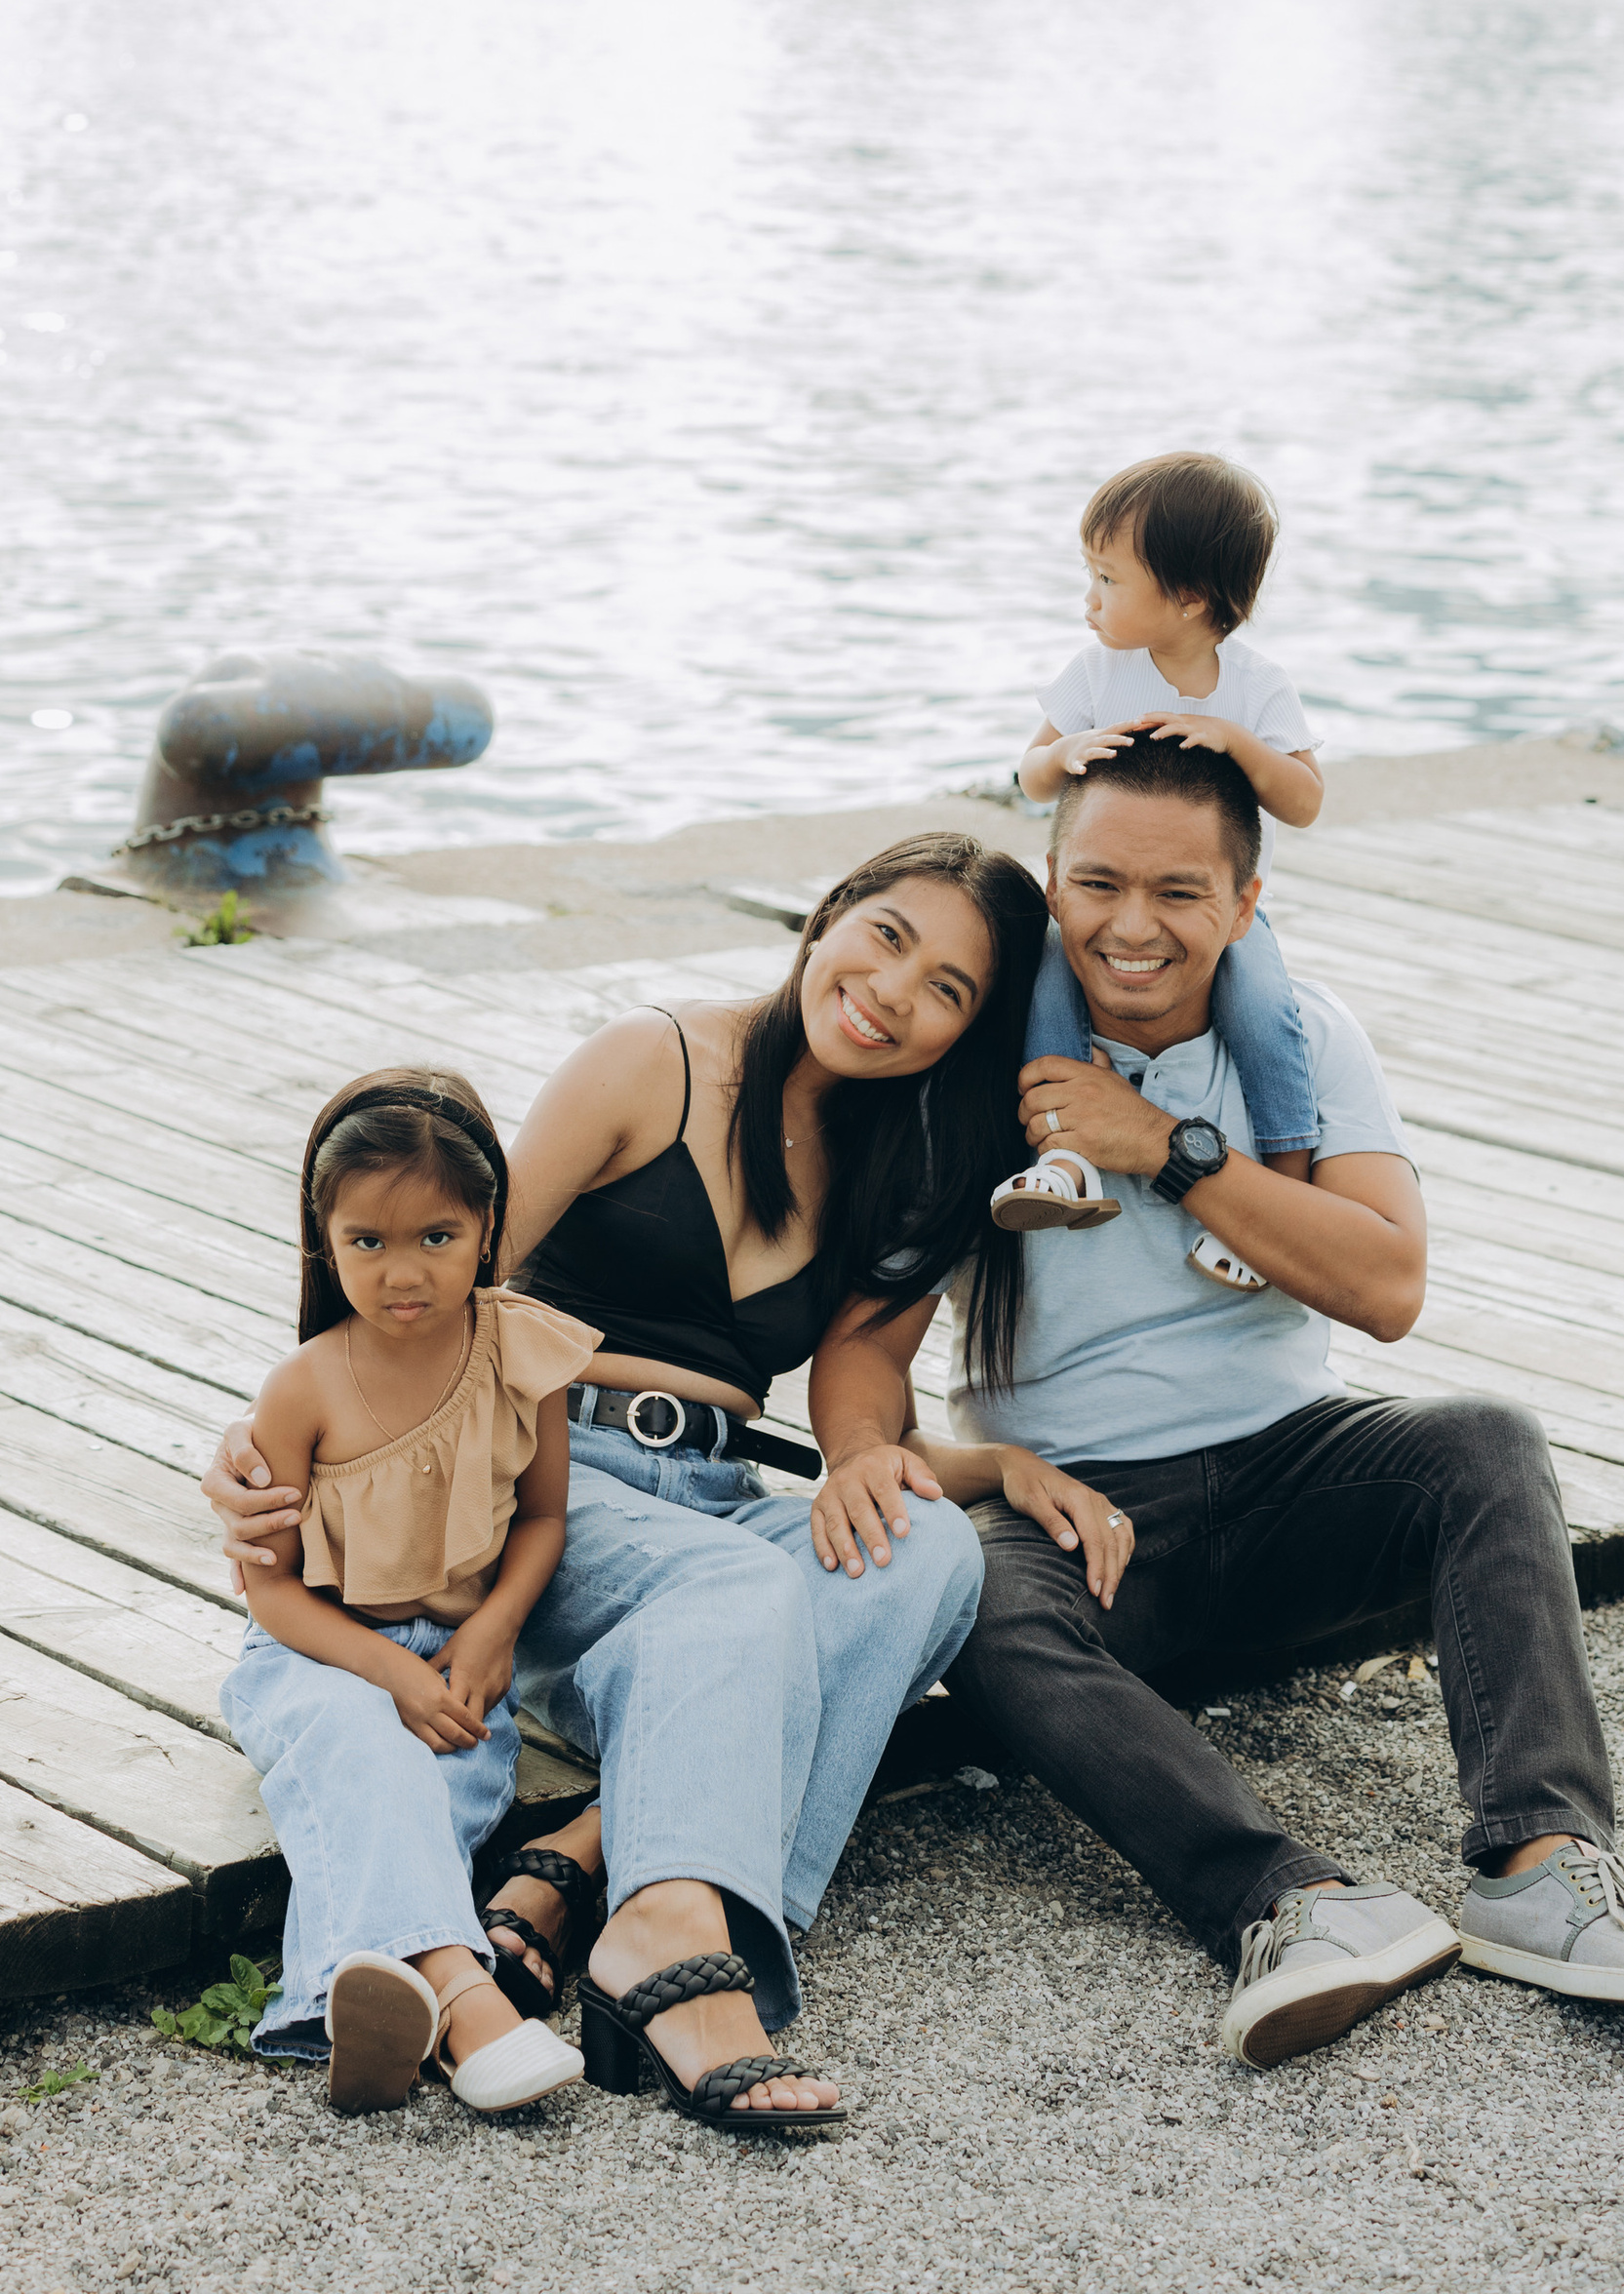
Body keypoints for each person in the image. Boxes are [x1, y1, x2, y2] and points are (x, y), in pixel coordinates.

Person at [809, 732, 1624, 2070]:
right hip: (1092, 1526)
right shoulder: (990, 1067)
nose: (1133, 928)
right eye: (1099, 886)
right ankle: (1291, 1904)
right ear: (1054, 884)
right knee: (981, 1598)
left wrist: (1167, 1150)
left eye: (1179, 894)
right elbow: (864, 1346)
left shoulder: (1301, 1039)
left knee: (1487, 1446)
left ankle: (1540, 1868)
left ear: (1245, 905)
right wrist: (860, 1458)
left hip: (1299, 1475)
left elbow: (1388, 1283)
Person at [210, 834, 1070, 2135]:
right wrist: (303, 1451)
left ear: (963, 1034)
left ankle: (587, 1863)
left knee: (934, 1553)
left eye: (948, 989)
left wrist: (880, 1461)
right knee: (734, 1585)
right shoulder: (650, 1063)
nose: (896, 993)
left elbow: (857, 1375)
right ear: (829, 916)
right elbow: (447, 1274)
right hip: (539, 1485)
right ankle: (669, 1946)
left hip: (711, 1501)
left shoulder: (896, 1158)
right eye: (888, 937)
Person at [217, 1066, 592, 2116]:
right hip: (318, 1654)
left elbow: (543, 1517)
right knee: (359, 1741)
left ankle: (356, 2004)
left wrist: (493, 1634)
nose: (401, 1271)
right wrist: (388, 1669)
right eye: (365, 1243)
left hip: (460, 1657)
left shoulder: (524, 1350)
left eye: (436, 1236)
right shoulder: (303, 1388)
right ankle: (471, 2008)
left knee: (439, 1799)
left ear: (486, 1228)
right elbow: (273, 1597)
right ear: (323, 1243)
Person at [995, 451, 1323, 1297]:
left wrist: (1242, 748)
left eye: (1108, 578)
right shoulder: (1098, 673)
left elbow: (1306, 799)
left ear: (1189, 597)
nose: (1090, 600)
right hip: (1096, 906)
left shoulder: (1254, 688)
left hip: (1220, 920)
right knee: (1046, 993)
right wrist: (1067, 751)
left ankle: (1284, 1190)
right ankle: (1063, 1161)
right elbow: (1028, 778)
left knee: (1266, 1016)